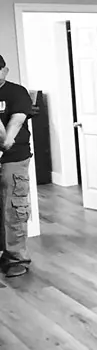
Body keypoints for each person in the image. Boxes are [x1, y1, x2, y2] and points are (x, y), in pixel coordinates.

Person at [0, 54, 33, 278]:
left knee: (13, 208)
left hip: (13, 158)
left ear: (5, 70)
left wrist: (7, 140)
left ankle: (16, 258)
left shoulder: (16, 92)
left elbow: (18, 119)